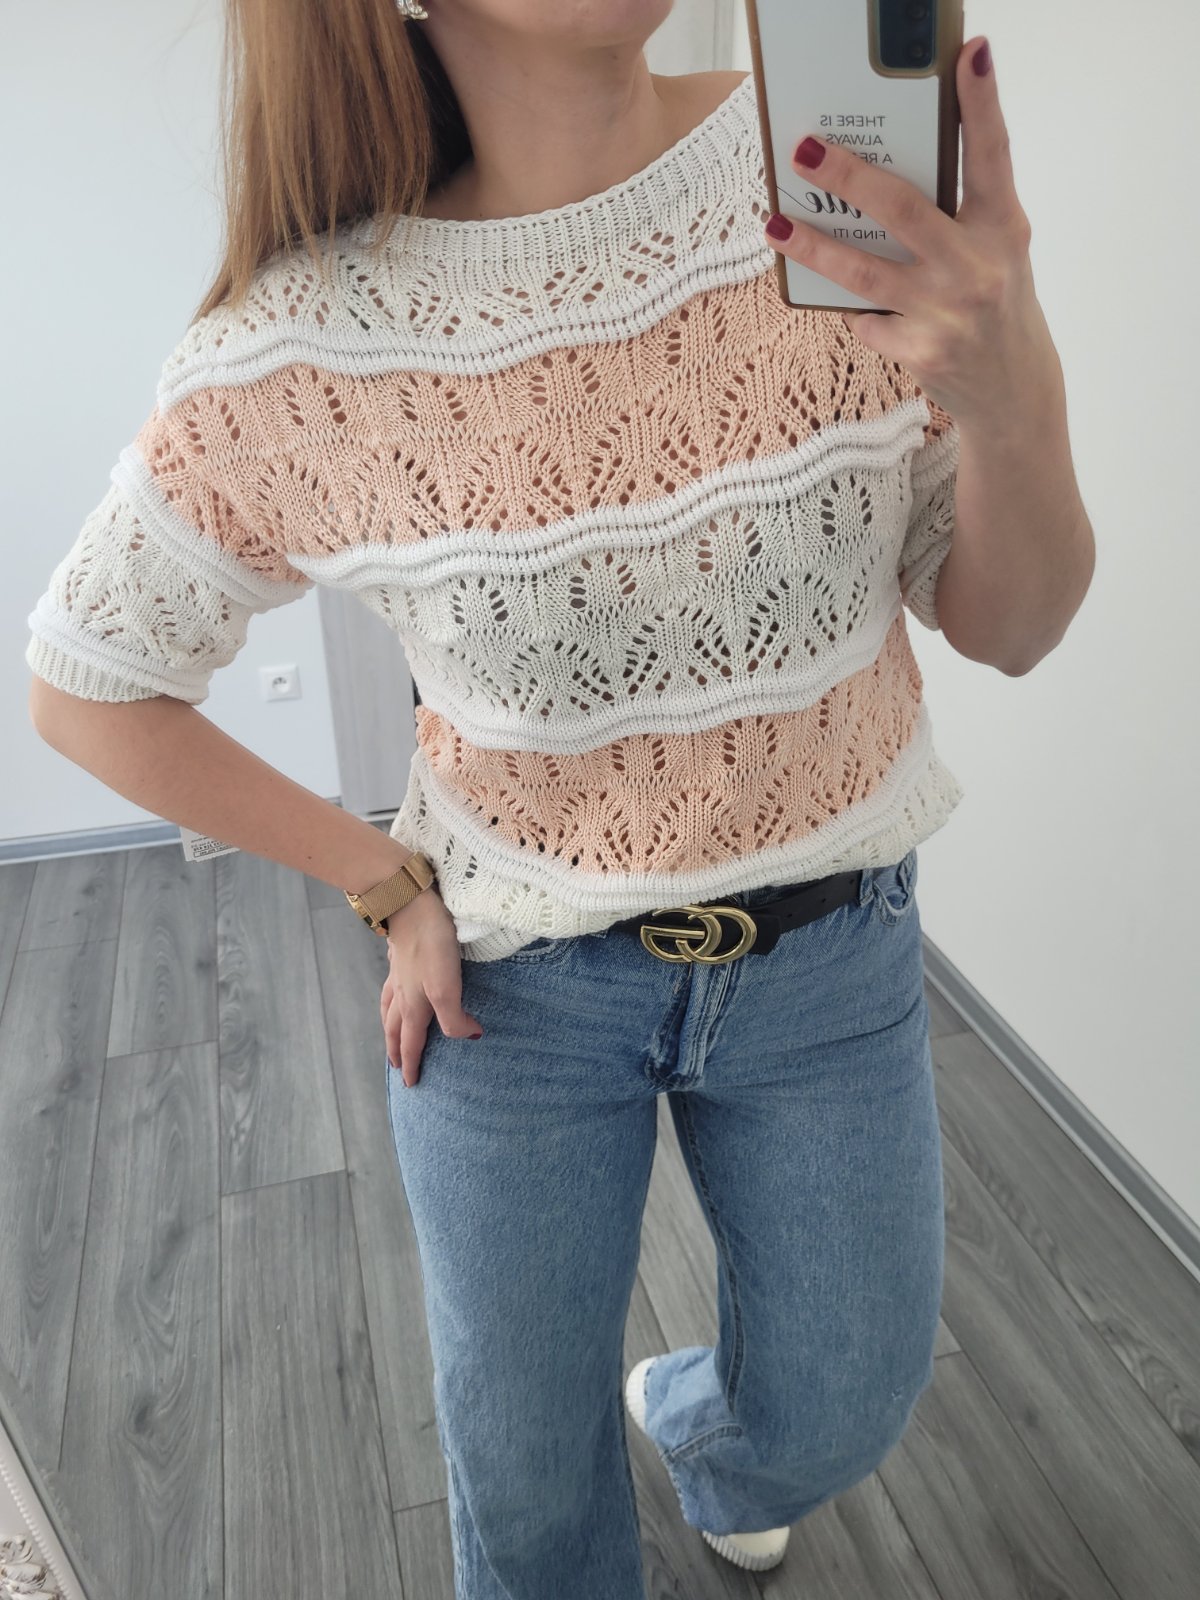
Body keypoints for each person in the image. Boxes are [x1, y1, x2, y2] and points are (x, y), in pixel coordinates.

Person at [25, 3, 1094, 1597]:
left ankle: (700, 1423)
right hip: (512, 994)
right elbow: (89, 681)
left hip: (831, 961)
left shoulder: (825, 180)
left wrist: (1012, 393)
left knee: (838, 1406)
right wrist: (381, 879)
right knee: (526, 1499)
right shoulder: (301, 344)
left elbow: (1011, 624)